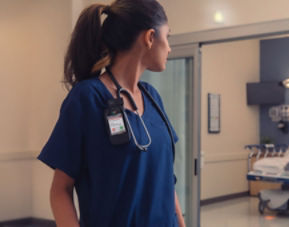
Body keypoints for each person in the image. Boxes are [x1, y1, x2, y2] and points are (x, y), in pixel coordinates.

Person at [37, 0, 185, 226]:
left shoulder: (153, 98)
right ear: (150, 37)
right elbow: (60, 190)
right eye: (169, 37)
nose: (169, 47)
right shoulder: (87, 98)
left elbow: (166, 181)